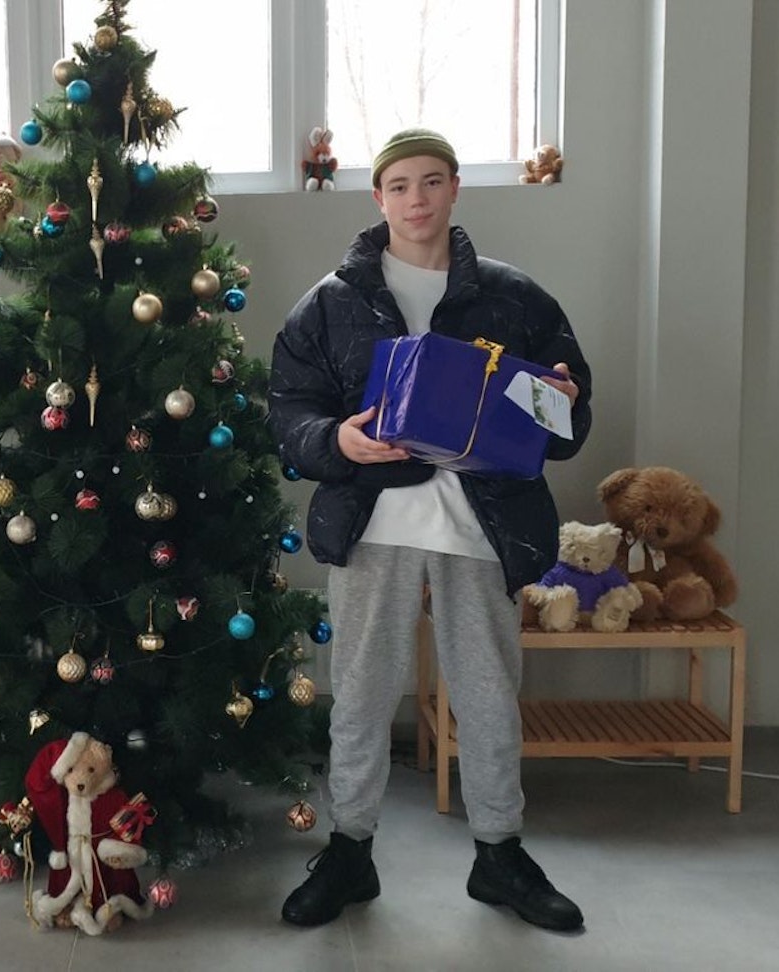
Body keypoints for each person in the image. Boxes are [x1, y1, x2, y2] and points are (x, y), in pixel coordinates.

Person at [268, 128, 592, 931]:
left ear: (454, 190)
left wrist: (560, 395)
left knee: (487, 693)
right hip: (373, 523)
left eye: (432, 181)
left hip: (482, 526)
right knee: (364, 692)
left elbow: (567, 415)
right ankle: (349, 850)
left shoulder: (516, 298)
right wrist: (337, 440)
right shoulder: (330, 302)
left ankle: (500, 855)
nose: (417, 199)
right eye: (400, 185)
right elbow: (288, 413)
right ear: (379, 199)